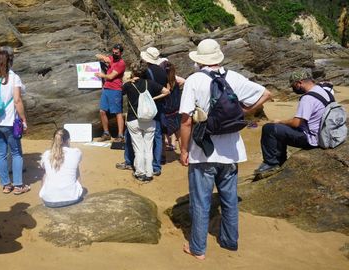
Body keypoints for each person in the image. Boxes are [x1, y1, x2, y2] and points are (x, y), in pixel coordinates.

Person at [179, 39, 271, 259]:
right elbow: (266, 93)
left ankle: (198, 249)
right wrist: (244, 112)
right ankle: (230, 241)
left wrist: (183, 150)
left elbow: (185, 122)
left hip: (203, 152)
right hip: (232, 153)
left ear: (199, 60)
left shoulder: (194, 80)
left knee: (201, 202)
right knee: (229, 201)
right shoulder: (233, 77)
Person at [255, 70, 332, 174]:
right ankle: (279, 160)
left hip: (313, 139)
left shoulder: (308, 98)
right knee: (282, 130)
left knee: (270, 128)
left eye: (293, 86)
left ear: (299, 83)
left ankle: (272, 163)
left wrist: (280, 121)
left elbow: (296, 123)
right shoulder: (324, 91)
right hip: (327, 133)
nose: (293, 89)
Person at [117, 47, 167, 176]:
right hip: (150, 117)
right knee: (149, 147)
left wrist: (128, 80)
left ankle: (140, 172)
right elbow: (167, 91)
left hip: (134, 118)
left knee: (138, 147)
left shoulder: (128, 85)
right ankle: (150, 171)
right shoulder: (151, 81)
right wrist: (152, 98)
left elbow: (119, 93)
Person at [0, 51, 30, 195]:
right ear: (9, 61)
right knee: (17, 153)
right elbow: (17, 100)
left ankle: (6, 185)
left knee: (1, 153)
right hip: (9, 121)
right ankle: (18, 185)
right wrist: (23, 119)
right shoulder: (13, 77)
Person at [39, 128, 84, 207]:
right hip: (72, 198)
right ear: (68, 140)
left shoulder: (46, 154)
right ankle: (71, 191)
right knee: (75, 167)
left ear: (54, 140)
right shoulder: (76, 152)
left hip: (49, 201)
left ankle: (49, 193)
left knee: (45, 172)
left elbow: (43, 168)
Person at [95, 44, 126, 142]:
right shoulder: (112, 58)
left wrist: (102, 75)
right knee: (102, 111)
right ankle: (106, 133)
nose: (114, 54)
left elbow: (111, 76)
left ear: (120, 53)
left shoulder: (121, 63)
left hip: (115, 89)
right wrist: (103, 57)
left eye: (116, 53)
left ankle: (120, 135)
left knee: (118, 112)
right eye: (113, 52)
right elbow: (100, 56)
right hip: (106, 88)